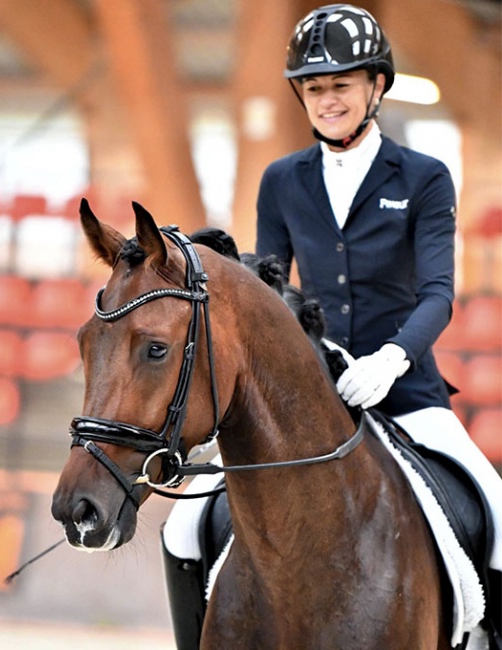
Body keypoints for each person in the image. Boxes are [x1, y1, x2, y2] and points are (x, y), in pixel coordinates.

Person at [162, 4, 501, 647]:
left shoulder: (424, 178)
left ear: (376, 86)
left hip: (406, 392)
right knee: (182, 527)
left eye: (341, 85)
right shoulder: (282, 180)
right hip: (309, 393)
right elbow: (267, 291)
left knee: (499, 513)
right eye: (315, 88)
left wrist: (391, 360)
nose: (327, 100)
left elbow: (438, 294)